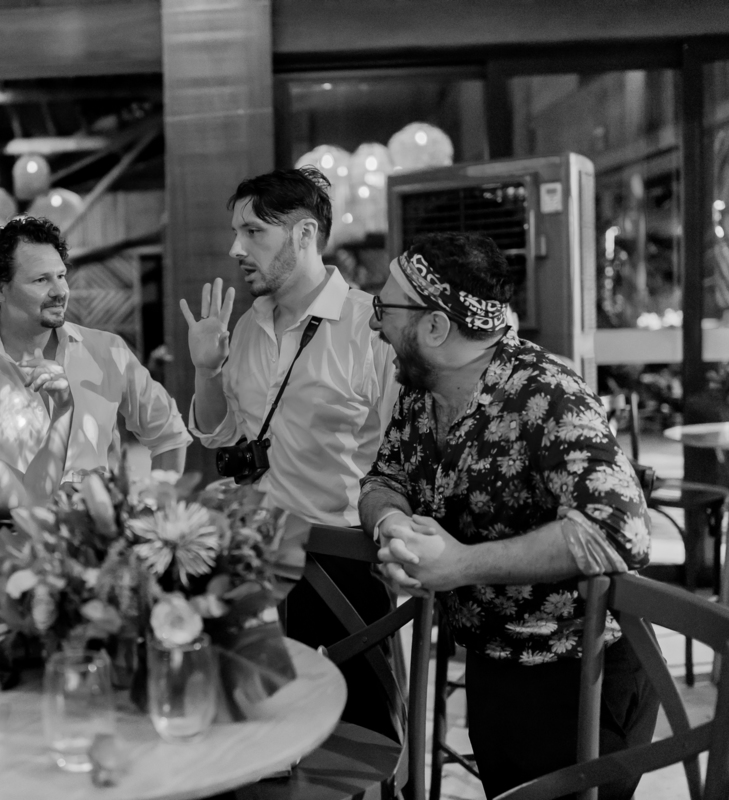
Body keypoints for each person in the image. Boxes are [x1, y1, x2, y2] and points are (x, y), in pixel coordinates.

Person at [360, 232, 658, 800]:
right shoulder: (421, 391)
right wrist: (394, 528)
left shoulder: (548, 393)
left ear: (436, 327)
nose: (375, 322)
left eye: (385, 306)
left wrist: (461, 565)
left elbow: (619, 531)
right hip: (493, 667)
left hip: (581, 679)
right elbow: (384, 478)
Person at [180, 166, 400, 739]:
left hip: (343, 563)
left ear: (304, 235)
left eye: (253, 232)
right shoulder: (247, 327)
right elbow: (222, 436)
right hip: (255, 559)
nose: (236, 249)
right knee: (259, 731)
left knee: (361, 739)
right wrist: (206, 369)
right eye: (237, 232)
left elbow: (403, 457)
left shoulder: (371, 327)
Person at [0, 216, 191, 515]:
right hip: (8, 537)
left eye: (61, 275)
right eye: (41, 280)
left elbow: (168, 433)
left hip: (103, 537)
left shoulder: (107, 351)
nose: (60, 291)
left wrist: (156, 514)